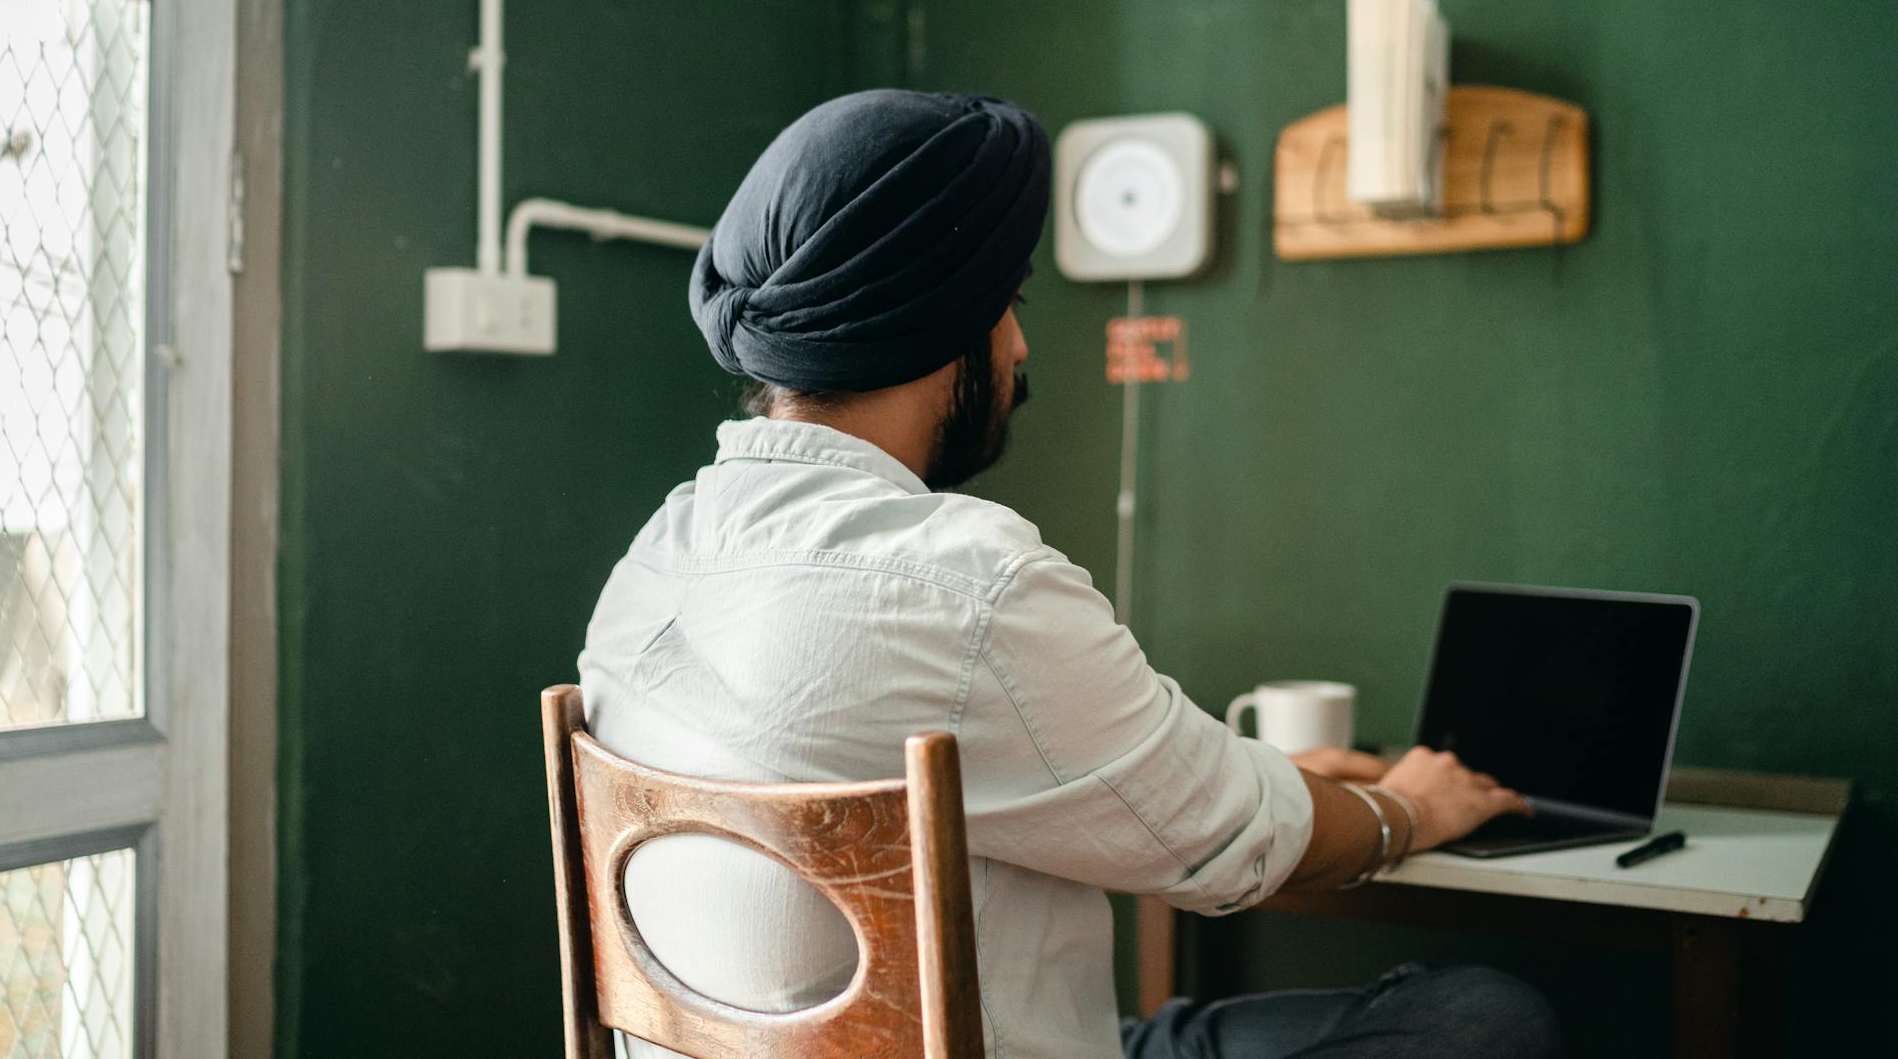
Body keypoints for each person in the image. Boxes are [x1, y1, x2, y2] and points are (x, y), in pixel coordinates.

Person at [578, 90, 1561, 1059]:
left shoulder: (652, 563)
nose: (1019, 344)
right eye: (1009, 302)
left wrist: (1262, 774)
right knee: (1482, 1015)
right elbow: (1235, 847)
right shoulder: (966, 585)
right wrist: (1413, 807)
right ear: (942, 317)